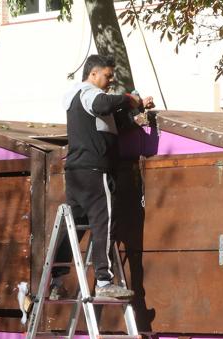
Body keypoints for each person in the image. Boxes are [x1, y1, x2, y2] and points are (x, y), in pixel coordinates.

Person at [50, 55, 154, 300]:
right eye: (108, 76)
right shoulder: (87, 93)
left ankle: (56, 280)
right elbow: (103, 104)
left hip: (76, 173)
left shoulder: (79, 101)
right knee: (104, 222)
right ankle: (105, 282)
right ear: (93, 74)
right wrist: (130, 98)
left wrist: (137, 111)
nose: (110, 81)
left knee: (74, 226)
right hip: (95, 172)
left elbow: (111, 121)